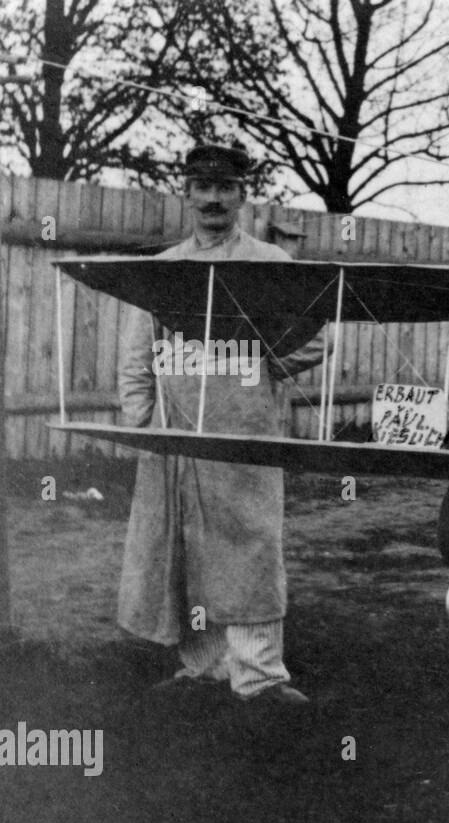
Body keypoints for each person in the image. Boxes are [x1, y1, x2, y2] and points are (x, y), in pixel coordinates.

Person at [117, 144, 322, 708]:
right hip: (177, 436)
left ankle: (259, 675)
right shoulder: (162, 272)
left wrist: (250, 369)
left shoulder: (270, 265)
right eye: (202, 188)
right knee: (187, 547)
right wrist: (143, 427)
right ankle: (203, 665)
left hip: (245, 436)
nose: (213, 198)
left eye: (225, 188)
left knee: (249, 547)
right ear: (187, 193)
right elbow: (138, 358)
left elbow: (317, 338)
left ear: (241, 195)